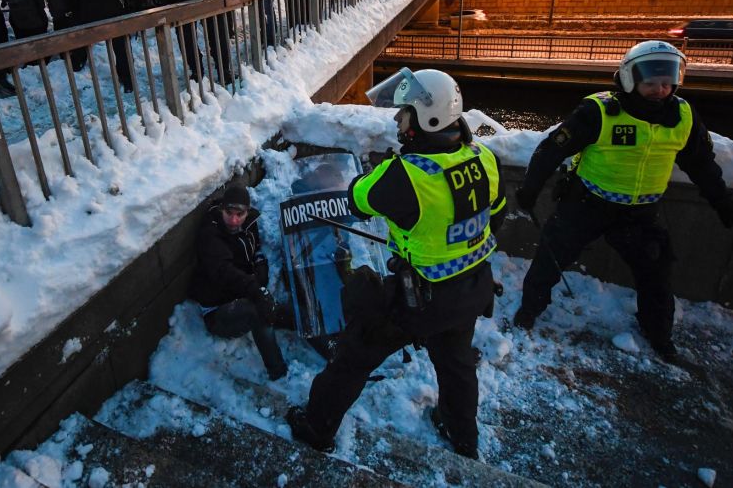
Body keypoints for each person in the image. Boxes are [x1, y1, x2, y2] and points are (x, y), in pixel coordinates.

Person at [287, 68, 506, 458]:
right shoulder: (483, 156)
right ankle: (463, 437)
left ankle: (316, 427)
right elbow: (498, 212)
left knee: (354, 356)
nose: (396, 119)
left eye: (403, 112)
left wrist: (388, 170)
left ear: (426, 119)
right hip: (473, 285)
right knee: (456, 364)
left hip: (420, 297)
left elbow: (357, 199)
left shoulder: (405, 176)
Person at [512, 41, 733, 362]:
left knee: (657, 276)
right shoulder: (599, 112)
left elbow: (701, 163)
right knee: (550, 260)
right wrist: (529, 190)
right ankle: (529, 309)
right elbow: (552, 150)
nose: (660, 90)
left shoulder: (682, 117)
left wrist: (722, 201)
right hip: (587, 204)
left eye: (666, 83)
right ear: (630, 80)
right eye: (650, 83)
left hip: (641, 213)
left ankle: (658, 334)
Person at [191, 184, 290, 381]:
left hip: (241, 293)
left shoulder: (248, 222)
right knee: (257, 310)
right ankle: (278, 372)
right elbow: (224, 272)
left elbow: (256, 249)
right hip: (218, 311)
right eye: (229, 213)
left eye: (240, 214)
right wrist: (255, 290)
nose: (234, 220)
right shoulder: (211, 234)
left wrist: (260, 265)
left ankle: (329, 346)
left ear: (247, 212)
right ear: (222, 209)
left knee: (279, 310)